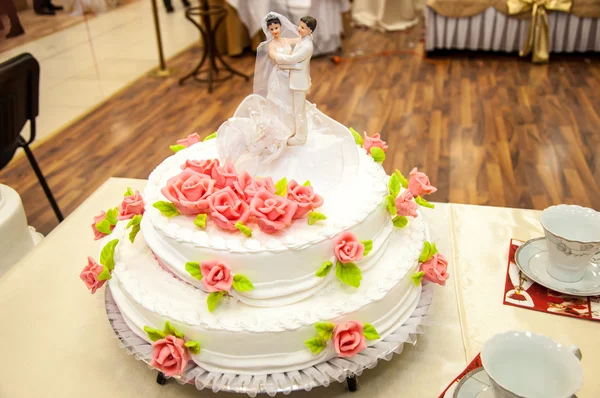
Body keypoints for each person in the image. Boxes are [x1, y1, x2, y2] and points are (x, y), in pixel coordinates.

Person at [269, 16, 317, 146]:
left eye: (302, 28)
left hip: (299, 81)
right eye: (299, 26)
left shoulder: (307, 46)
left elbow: (294, 60)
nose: (299, 29)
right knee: (296, 108)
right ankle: (296, 130)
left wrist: (276, 57)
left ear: (310, 31)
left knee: (299, 109)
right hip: (296, 79)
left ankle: (301, 136)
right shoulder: (303, 40)